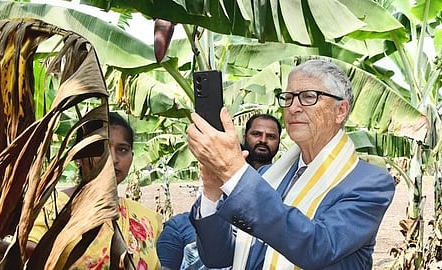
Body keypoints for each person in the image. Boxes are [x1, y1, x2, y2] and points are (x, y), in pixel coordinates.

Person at [186, 59, 395, 269]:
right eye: (288, 97)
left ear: (340, 110)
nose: (294, 107)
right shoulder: (268, 176)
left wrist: (233, 171)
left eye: (308, 97)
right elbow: (218, 258)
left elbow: (317, 246)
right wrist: (212, 188)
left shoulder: (370, 183)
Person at [28, 112, 163, 269]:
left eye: (122, 149)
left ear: (132, 157)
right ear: (78, 156)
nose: (113, 158)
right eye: (101, 148)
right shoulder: (53, 208)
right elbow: (29, 251)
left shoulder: (145, 218)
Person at [157, 114, 281, 270]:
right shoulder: (180, 226)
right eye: (256, 134)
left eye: (270, 136)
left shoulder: (280, 211)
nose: (263, 140)